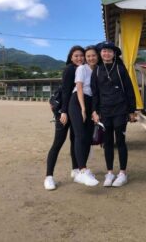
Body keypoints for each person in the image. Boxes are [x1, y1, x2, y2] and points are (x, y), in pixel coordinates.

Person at [91, 41, 137, 187]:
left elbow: (129, 90)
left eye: (110, 51)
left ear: (114, 54)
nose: (106, 53)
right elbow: (95, 93)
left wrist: (131, 110)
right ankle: (110, 173)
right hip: (104, 111)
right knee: (108, 143)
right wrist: (94, 111)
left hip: (120, 110)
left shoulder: (120, 69)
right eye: (104, 51)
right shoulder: (97, 70)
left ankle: (123, 173)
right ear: (101, 53)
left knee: (121, 141)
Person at [44, 46, 85, 190]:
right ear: (71, 57)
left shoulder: (84, 70)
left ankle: (75, 170)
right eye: (76, 56)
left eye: (81, 55)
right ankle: (49, 176)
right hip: (64, 111)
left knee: (75, 140)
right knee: (58, 142)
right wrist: (63, 111)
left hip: (75, 111)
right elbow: (66, 92)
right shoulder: (69, 69)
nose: (79, 58)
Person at [68, 45, 100, 186]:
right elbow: (79, 88)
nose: (91, 58)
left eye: (93, 55)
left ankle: (83, 170)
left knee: (87, 138)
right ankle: (82, 170)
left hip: (90, 103)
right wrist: (82, 108)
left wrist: (93, 110)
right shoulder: (82, 68)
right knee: (80, 135)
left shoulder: (98, 70)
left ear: (97, 56)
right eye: (88, 56)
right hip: (77, 102)